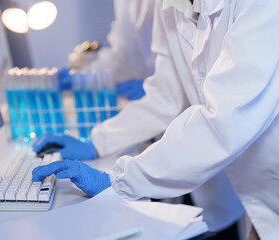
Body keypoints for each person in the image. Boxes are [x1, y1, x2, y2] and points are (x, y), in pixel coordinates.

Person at [33, 0, 279, 238]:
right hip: (261, 195)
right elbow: (166, 95)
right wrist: (96, 142)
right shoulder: (172, 4)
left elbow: (225, 120)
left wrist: (121, 181)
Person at [63, 0, 156, 101]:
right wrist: (83, 77)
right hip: (148, 104)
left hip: (169, 104)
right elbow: (121, 56)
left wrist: (155, 88)